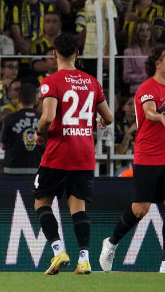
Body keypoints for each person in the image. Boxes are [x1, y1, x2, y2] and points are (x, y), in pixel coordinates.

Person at [99, 46, 165, 274]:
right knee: (140, 210)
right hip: (148, 158)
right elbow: (149, 110)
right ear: (158, 63)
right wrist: (157, 116)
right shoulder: (146, 88)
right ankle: (111, 242)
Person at [33, 32, 113, 275]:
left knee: (41, 202)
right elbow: (109, 118)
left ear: (54, 53)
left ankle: (59, 251)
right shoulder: (91, 82)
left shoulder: (51, 81)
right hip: (84, 155)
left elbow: (48, 117)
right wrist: (97, 120)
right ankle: (84, 259)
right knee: (78, 208)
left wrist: (39, 132)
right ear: (78, 54)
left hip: (59, 153)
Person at [1, 81, 44, 175]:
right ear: (35, 99)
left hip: (12, 171)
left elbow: (2, 145)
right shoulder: (44, 120)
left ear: (19, 99)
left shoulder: (9, 120)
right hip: (37, 171)